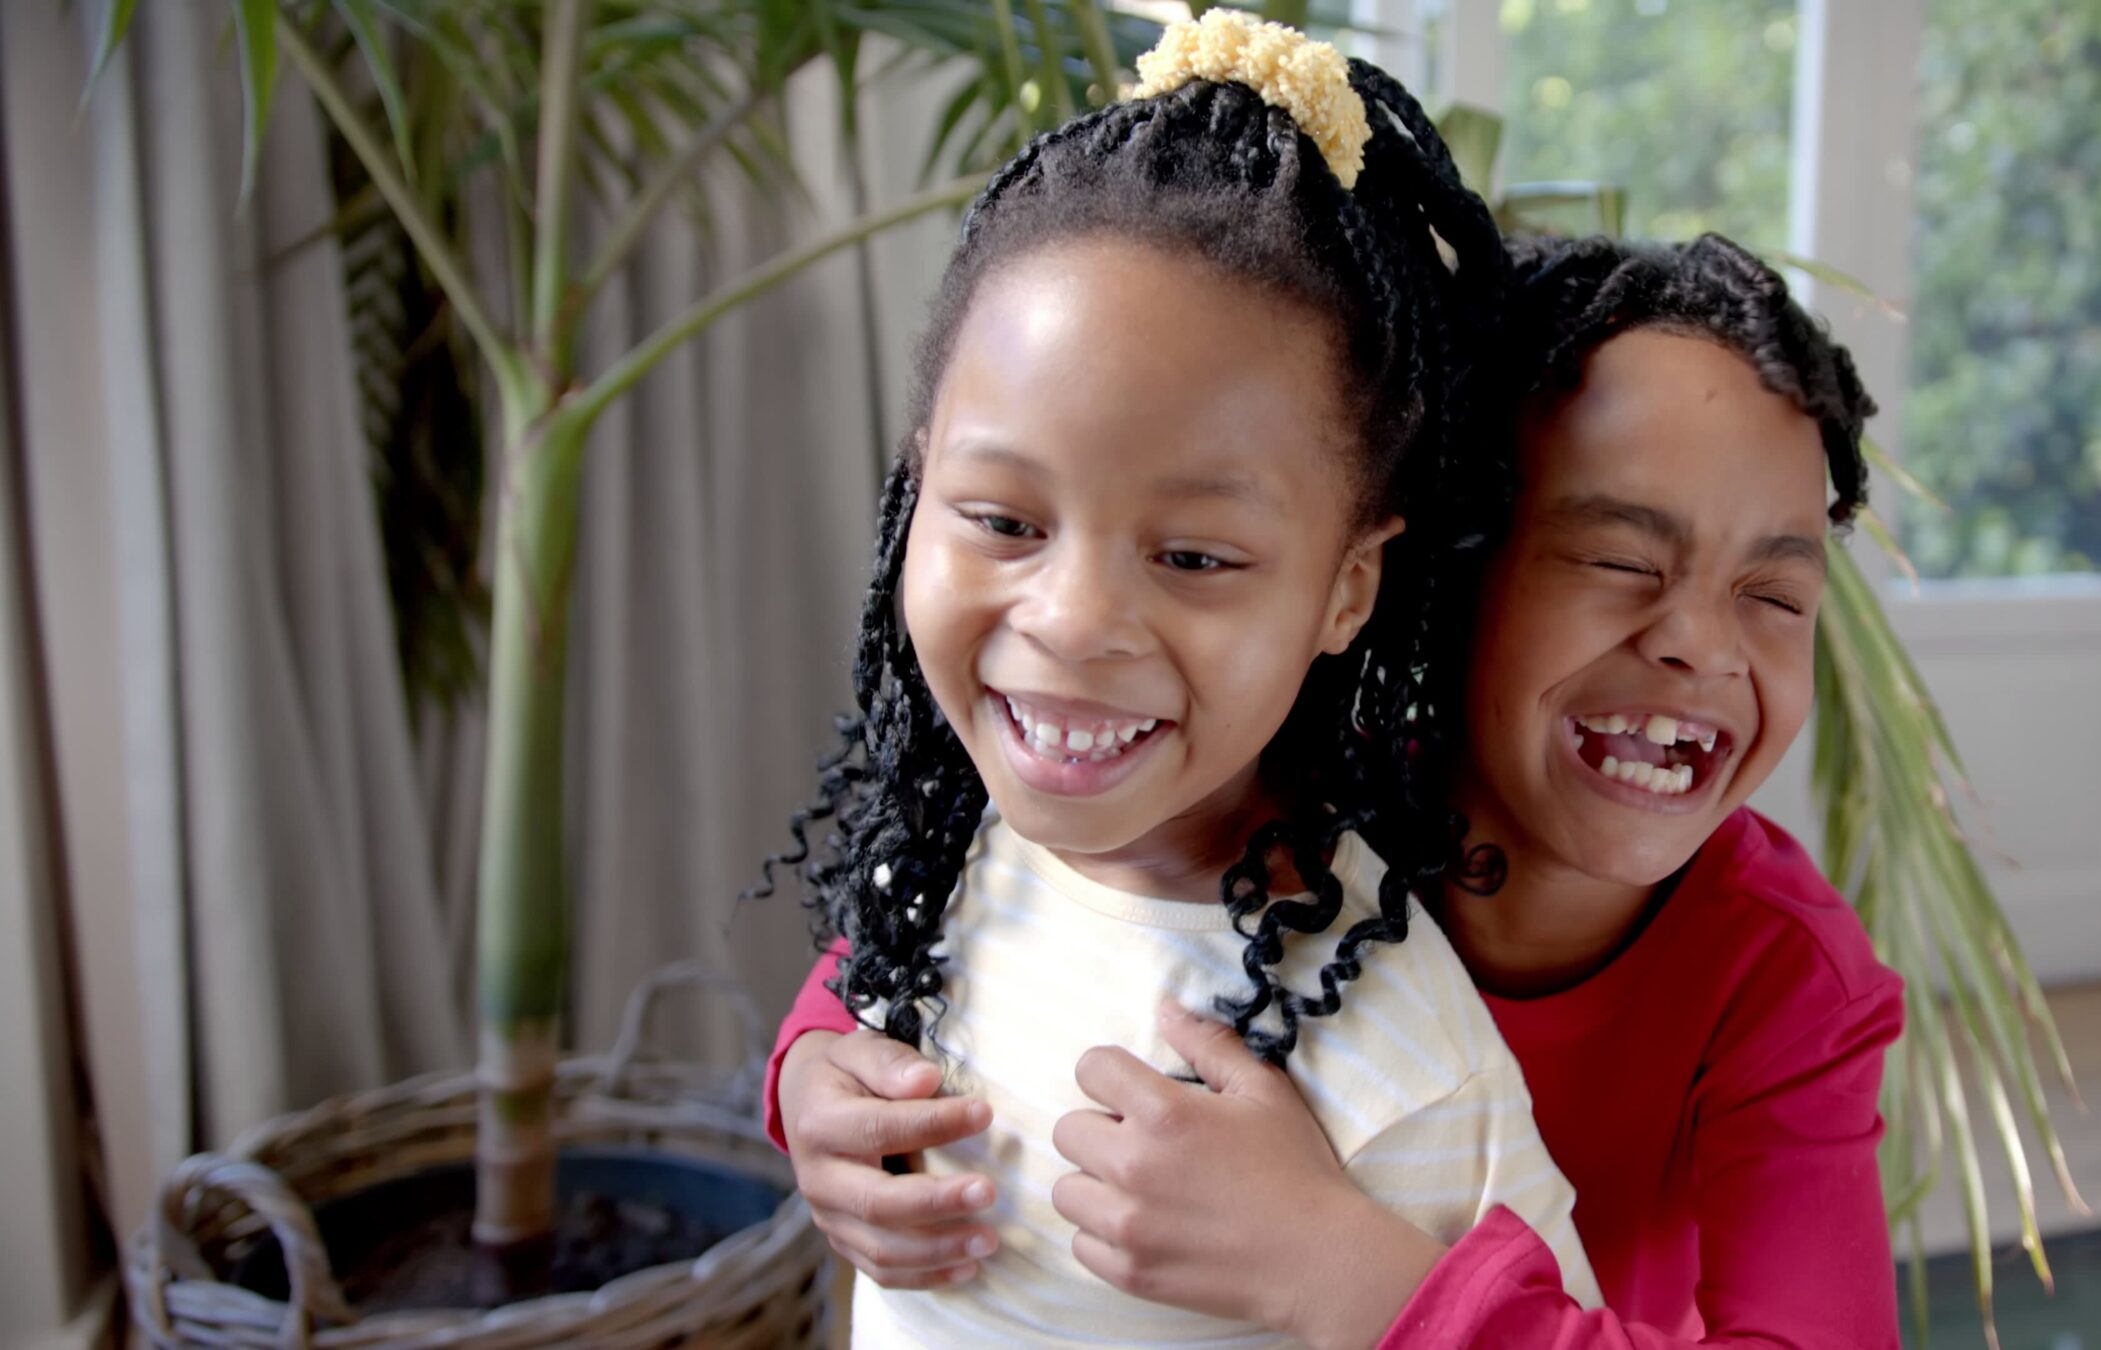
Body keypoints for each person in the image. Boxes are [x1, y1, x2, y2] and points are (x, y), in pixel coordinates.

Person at [771, 229, 1907, 1347]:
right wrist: (820, 1063)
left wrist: (1338, 1269)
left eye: (1775, 596)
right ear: (1440, 571)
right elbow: (971, 891)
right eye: (1620, 562)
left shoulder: (1781, 977)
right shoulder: (1264, 793)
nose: (1702, 648)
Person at [756, 12, 1603, 1347]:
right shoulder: (949, 852)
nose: (1077, 619)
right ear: (918, 487)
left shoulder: (1396, 1060)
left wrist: (1342, 1269)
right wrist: (811, 1083)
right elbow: (862, 991)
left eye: (1197, 553)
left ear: (1345, 590)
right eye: (1003, 520)